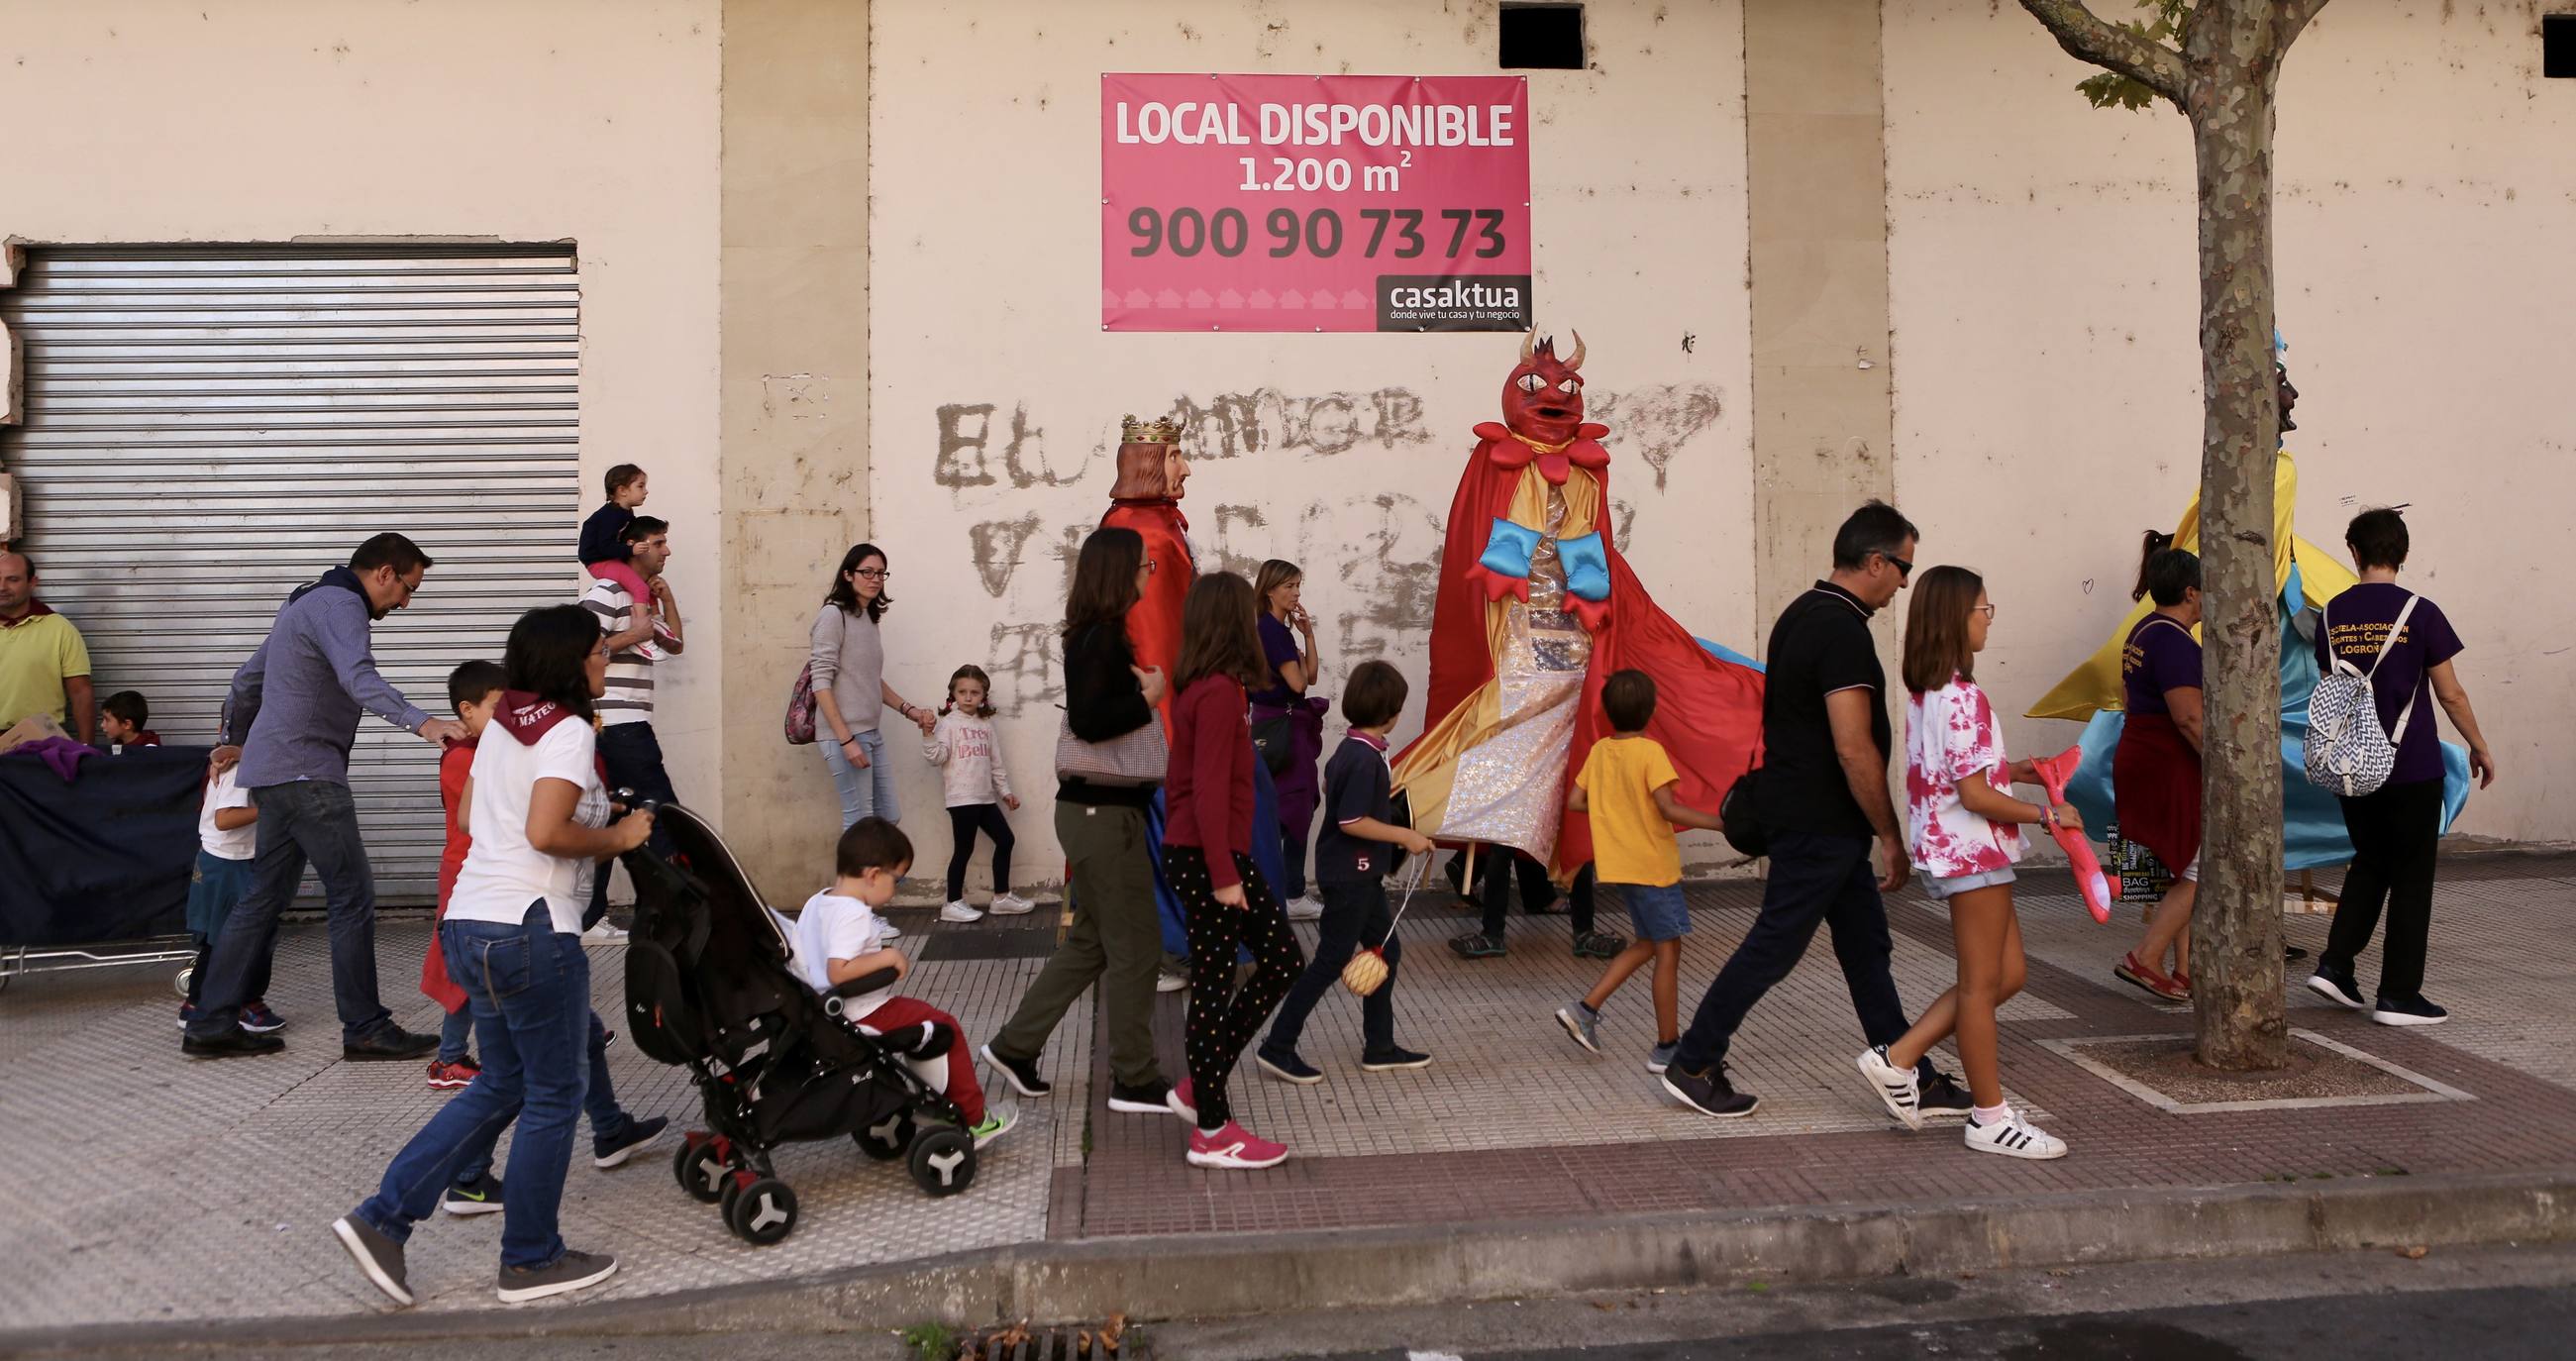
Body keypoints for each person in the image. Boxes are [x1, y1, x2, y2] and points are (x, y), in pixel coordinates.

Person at [331, 604, 654, 1309]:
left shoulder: (506, 721)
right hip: (531, 928)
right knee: (554, 1094)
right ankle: (531, 1259)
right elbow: (546, 831)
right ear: (570, 660)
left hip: (470, 922)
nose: (607, 661)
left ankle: (382, 1219)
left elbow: (475, 818)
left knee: (501, 1082)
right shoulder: (566, 731)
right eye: (600, 651)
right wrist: (621, 838)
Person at [1660, 502, 1969, 1120]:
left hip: (1816, 820)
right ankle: (1693, 1061)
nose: (1906, 582)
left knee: (1865, 947)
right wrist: (1891, 833)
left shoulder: (1803, 613)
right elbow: (1853, 747)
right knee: (1775, 945)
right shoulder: (1842, 631)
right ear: (1876, 560)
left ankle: (1909, 1069)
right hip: (1819, 823)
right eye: (1903, 567)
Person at [183, 534, 467, 1061]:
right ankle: (364, 1026)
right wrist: (425, 724)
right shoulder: (342, 605)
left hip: (273, 774)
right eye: (408, 589)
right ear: (385, 573)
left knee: (261, 898)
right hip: (308, 774)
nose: (405, 604)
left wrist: (233, 741)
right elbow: (359, 678)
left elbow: (246, 682)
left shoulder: (304, 602)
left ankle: (209, 1020)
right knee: (351, 895)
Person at [1857, 567, 2072, 1160]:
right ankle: (1990, 1116)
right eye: (1984, 608)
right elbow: (1973, 796)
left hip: (1955, 848)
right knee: (1982, 987)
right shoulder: (1964, 697)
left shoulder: (1929, 694)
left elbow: (1958, 777)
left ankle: (1897, 1058)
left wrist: (2019, 773)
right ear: (1958, 618)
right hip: (1971, 848)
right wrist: (2048, 817)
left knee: (2008, 976)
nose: (1988, 618)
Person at [980, 528, 1190, 1119]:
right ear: (1119, 570)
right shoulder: (1097, 639)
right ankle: (1133, 1077)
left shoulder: (1100, 636)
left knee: (1094, 942)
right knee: (1138, 946)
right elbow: (1095, 723)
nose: (1150, 571)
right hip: (1101, 814)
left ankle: (1013, 1047)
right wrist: (1150, 698)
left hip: (1100, 812)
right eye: (1144, 563)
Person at [2306, 509, 2498, 1027]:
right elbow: (2449, 692)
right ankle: (2399, 996)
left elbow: (2335, 690)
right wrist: (2478, 745)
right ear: (2403, 553)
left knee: (2370, 861)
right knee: (2412, 877)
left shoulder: (2330, 615)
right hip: (2411, 765)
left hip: (2352, 762)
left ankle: (2336, 966)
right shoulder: (2421, 612)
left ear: (2354, 554)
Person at [1167, 572, 1304, 1170]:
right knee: (1244, 974)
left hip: (1208, 853)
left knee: (1254, 969)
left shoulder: (1206, 685)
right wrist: (1224, 873)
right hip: (1210, 855)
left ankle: (1202, 1087)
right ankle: (1212, 1130)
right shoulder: (1219, 691)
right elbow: (1206, 792)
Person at [1256, 660, 1438, 1083]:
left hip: (1360, 875)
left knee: (1385, 953)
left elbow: (1336, 796)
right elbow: (1351, 821)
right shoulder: (1362, 758)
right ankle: (1278, 1045)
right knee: (1329, 961)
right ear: (1391, 711)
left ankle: (1380, 1046)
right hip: (1351, 876)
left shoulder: (1355, 749)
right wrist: (1404, 837)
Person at [790, 817, 1013, 1146]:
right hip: (860, 1013)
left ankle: (930, 1102)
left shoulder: (817, 901)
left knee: (924, 1023)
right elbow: (838, 970)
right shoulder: (854, 913)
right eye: (899, 880)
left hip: (822, 1015)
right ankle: (974, 1119)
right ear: (873, 875)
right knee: (942, 1027)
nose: (896, 890)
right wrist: (887, 957)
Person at [1552, 671, 1722, 1075]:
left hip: (1621, 865)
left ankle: (1586, 1009)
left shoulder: (1600, 752)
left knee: (1646, 944)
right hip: (1651, 866)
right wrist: (1720, 822)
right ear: (1651, 710)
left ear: (1608, 712)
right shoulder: (1650, 753)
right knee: (1668, 951)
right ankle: (1667, 1046)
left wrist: (1613, 807)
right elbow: (1668, 809)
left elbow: (1576, 800)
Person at [578, 514, 685, 938]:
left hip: (627, 722)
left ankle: (589, 917)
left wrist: (669, 602)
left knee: (611, 816)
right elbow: (576, 649)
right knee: (660, 814)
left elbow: (674, 645)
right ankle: (671, 910)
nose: (667, 551)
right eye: (659, 543)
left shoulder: (644, 599)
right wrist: (630, 635)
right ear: (635, 546)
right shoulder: (606, 593)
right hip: (616, 721)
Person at [2111, 535, 2205, 1004]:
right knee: (2199, 865)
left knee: (2177, 865)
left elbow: (2127, 697)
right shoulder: (2175, 642)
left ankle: (2183, 969)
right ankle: (2145, 957)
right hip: (2166, 761)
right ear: (2191, 592)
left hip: (2139, 752)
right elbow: (2188, 717)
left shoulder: (2142, 631)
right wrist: (2223, 764)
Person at [811, 543, 939, 834]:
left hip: (871, 733)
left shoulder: (868, 618)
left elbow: (869, 678)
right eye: (866, 572)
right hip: (843, 736)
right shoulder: (833, 615)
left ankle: (875, 877)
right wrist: (846, 741)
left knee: (888, 815)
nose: (875, 579)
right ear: (847, 575)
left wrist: (910, 711)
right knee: (860, 822)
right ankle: (857, 880)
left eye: (881, 573)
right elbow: (821, 682)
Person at [424, 661, 507, 1091]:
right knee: (465, 972)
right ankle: (448, 1059)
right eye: (497, 706)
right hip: (465, 876)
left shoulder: (482, 751)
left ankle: (574, 1031)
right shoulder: (463, 759)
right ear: (467, 711)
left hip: (485, 871)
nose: (506, 715)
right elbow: (481, 814)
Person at [1250, 559, 1328, 922]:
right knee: (1294, 807)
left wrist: (1308, 635)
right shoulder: (1272, 631)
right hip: (1281, 727)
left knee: (1289, 807)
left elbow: (1308, 675)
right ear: (1270, 590)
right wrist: (1295, 660)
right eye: (1289, 587)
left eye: (1298, 585)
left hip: (1281, 725)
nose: (1296, 593)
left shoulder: (1281, 629)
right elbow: (1298, 685)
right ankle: (1291, 891)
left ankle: (1280, 887)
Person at [923, 664, 1030, 923]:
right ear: (953, 695)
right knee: (964, 849)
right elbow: (937, 757)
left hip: (985, 799)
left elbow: (996, 764)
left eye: (974, 692)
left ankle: (1001, 897)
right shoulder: (948, 724)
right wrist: (928, 734)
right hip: (962, 800)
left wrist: (1005, 793)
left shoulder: (986, 725)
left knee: (1005, 840)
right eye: (962, 692)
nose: (968, 697)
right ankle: (952, 903)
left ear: (984, 696)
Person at [179, 758, 276, 1032]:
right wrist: (271, 807)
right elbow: (225, 818)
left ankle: (197, 1004)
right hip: (228, 863)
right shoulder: (238, 768)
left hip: (224, 860)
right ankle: (241, 1002)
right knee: (242, 935)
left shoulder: (239, 763)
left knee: (219, 938)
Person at [0, 550, 96, 744]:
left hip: (41, 744)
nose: (2, 587)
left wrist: (86, 748)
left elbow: (80, 693)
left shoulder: (60, 629)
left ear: (32, 583)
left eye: (13, 579)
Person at [578, 464, 664, 658]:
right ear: (622, 491)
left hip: (612, 559)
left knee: (645, 583)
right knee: (640, 588)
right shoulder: (610, 516)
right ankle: (643, 638)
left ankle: (657, 621)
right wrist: (630, 549)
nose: (646, 491)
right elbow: (604, 546)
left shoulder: (625, 513)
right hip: (600, 561)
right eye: (640, 486)